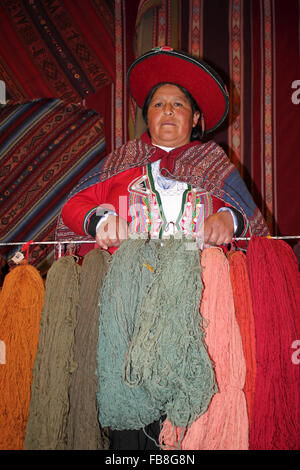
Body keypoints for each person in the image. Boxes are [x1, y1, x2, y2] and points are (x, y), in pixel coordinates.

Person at [61, 47, 269, 450]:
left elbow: (251, 223)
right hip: (130, 303)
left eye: (179, 105)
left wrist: (230, 220)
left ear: (196, 119)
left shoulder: (215, 163)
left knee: (195, 403)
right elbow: (73, 205)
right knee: (133, 405)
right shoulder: (122, 161)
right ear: (148, 117)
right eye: (159, 104)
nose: (168, 111)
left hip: (202, 303)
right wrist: (102, 220)